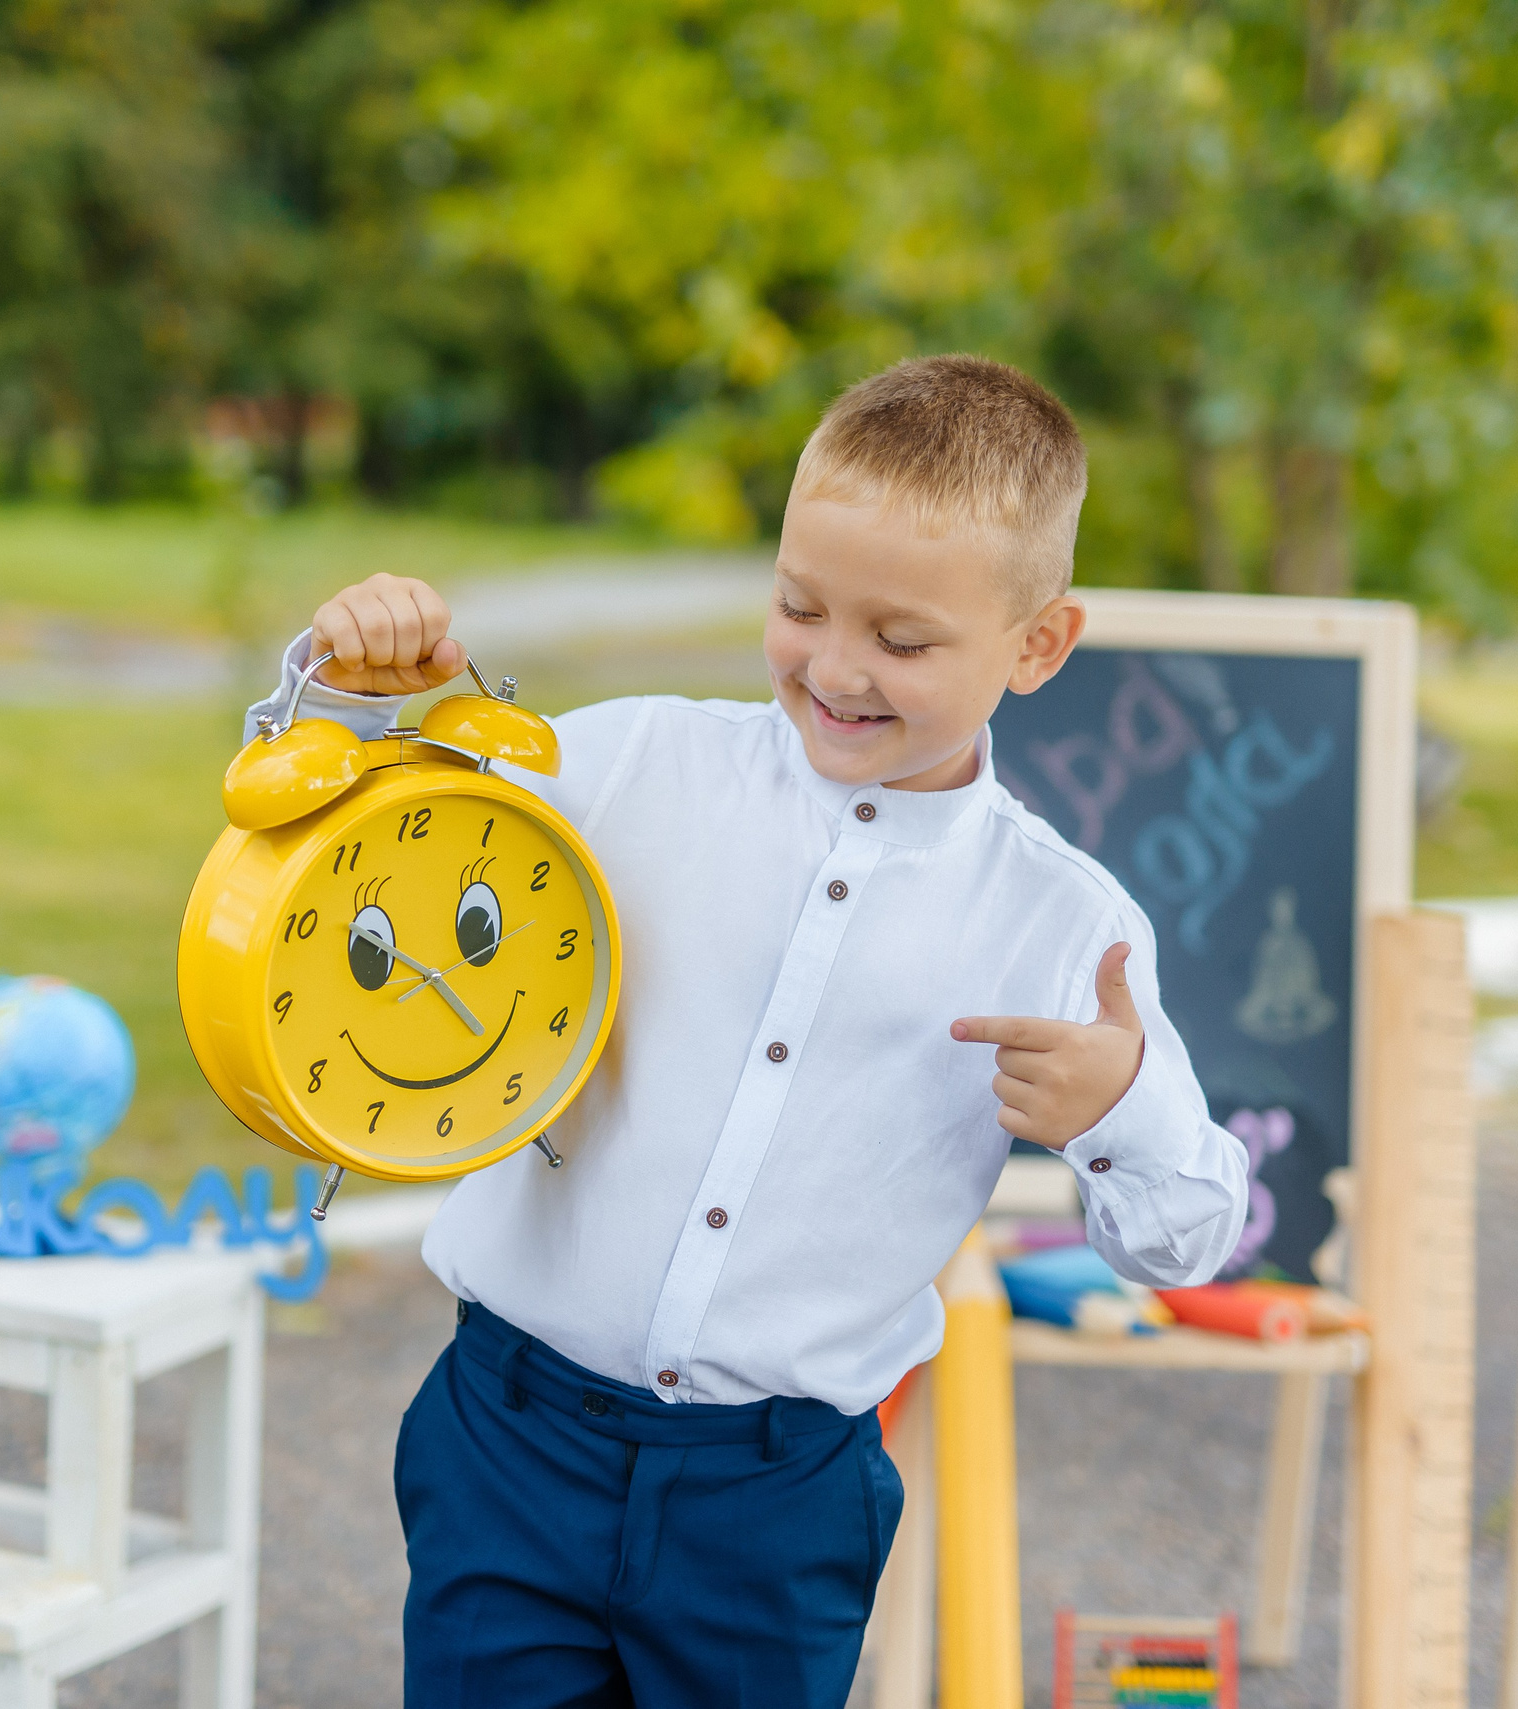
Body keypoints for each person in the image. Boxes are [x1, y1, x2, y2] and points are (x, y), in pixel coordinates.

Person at [251, 354, 1250, 1708]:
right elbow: (356, 862)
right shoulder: (620, 766)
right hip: (514, 1434)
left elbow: (1188, 1233)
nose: (836, 666)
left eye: (902, 641)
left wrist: (1121, 1103)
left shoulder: (1065, 926)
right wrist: (359, 692)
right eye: (798, 606)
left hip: (776, 1500)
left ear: (1038, 646)